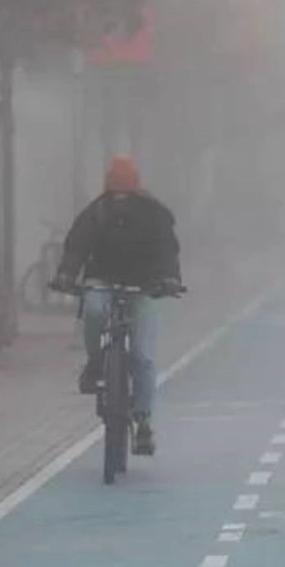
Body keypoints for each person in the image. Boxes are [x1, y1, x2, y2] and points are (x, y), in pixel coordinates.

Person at [55, 155, 182, 456]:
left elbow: (166, 249)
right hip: (102, 280)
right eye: (117, 188)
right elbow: (76, 245)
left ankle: (143, 420)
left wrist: (169, 278)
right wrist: (66, 274)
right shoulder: (96, 211)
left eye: (125, 188)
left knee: (142, 355)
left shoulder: (154, 213)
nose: (121, 195)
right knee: (94, 311)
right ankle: (95, 362)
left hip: (143, 286)